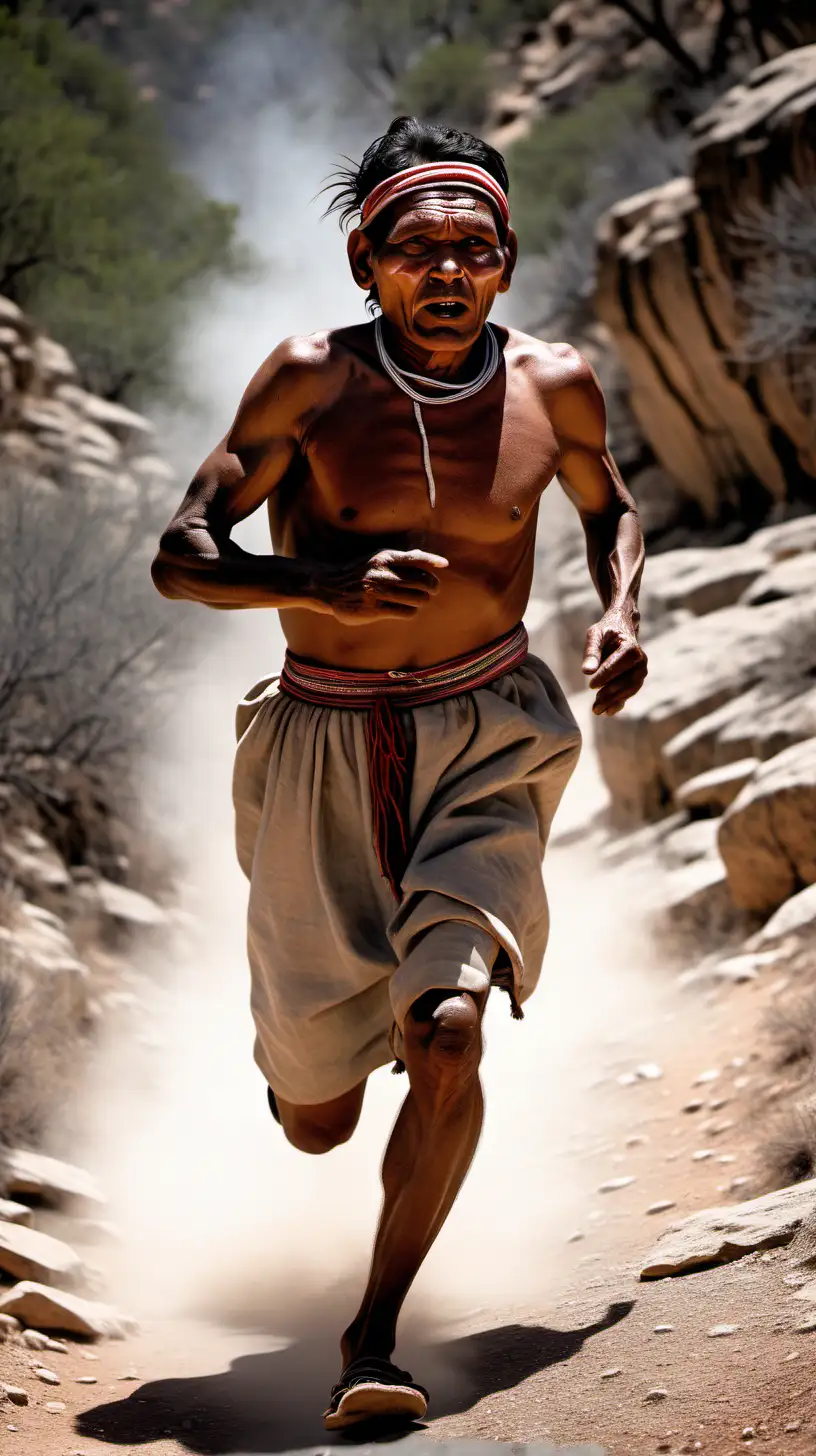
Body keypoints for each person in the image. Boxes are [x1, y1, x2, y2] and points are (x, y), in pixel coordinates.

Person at [151, 115, 647, 1430]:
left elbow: (609, 508)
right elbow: (180, 551)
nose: (446, 272)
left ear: (507, 262)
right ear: (365, 262)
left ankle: (374, 1337)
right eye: (416, 249)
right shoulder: (309, 382)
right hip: (321, 743)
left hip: (492, 732)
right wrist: (324, 581)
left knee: (451, 1029)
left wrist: (622, 613)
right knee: (317, 1118)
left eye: (472, 250)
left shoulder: (558, 385)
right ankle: (308, 1065)